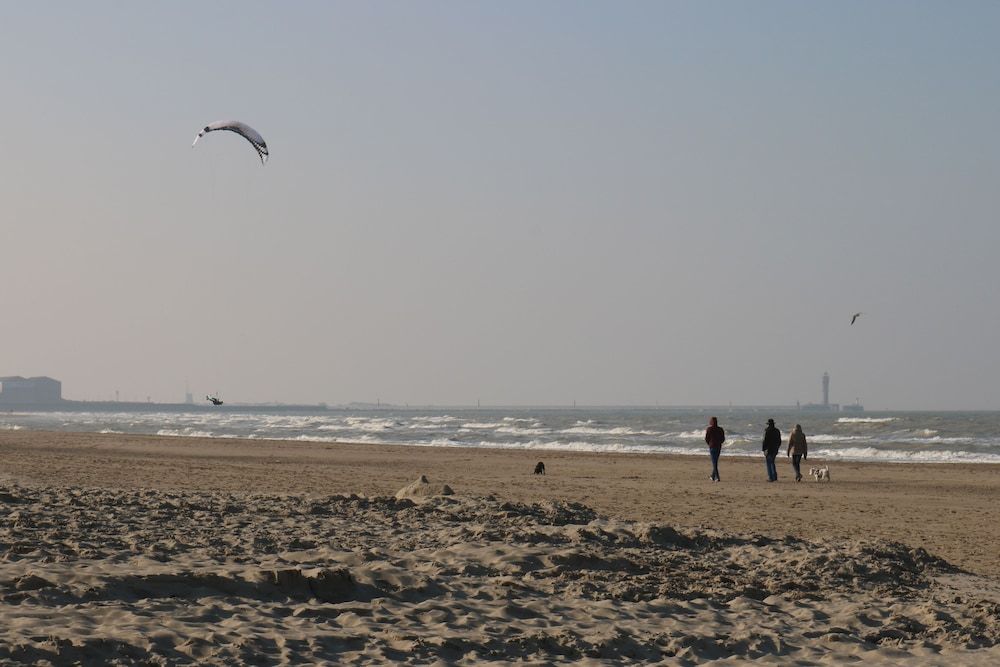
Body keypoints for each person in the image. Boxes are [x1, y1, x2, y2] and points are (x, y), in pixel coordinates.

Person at [705, 416, 725, 482]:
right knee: (715, 462)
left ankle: (717, 477)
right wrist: (719, 442)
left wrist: (709, 444)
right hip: (718, 446)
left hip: (712, 447)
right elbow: (723, 439)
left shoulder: (709, 429)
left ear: (711, 422)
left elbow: (706, 438)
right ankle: (712, 476)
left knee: (714, 462)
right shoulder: (720, 429)